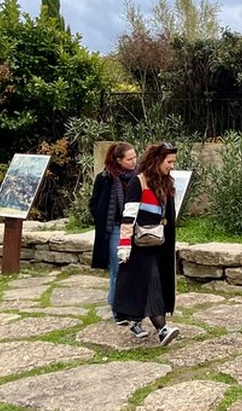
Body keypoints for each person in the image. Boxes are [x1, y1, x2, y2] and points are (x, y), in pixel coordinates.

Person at [113, 142, 180, 346]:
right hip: (141, 245)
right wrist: (124, 245)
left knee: (148, 285)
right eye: (169, 162)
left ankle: (136, 320)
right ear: (157, 161)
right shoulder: (138, 182)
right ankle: (162, 329)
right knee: (151, 284)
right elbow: (128, 216)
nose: (171, 166)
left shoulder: (167, 183)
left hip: (160, 245)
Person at [88, 142, 137, 325]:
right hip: (115, 227)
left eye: (134, 157)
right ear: (119, 160)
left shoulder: (138, 178)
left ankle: (119, 300)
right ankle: (119, 310)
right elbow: (94, 202)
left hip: (133, 226)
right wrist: (102, 218)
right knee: (118, 267)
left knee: (131, 267)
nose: (133, 162)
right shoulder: (105, 178)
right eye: (129, 159)